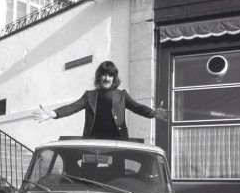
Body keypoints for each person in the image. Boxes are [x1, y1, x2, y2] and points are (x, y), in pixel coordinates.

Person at [32, 60, 171, 140]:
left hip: (117, 141)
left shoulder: (122, 95)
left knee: (116, 174)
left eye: (110, 75)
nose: (106, 78)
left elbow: (137, 107)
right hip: (93, 141)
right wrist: (53, 114)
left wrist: (152, 113)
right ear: (99, 77)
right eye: (103, 75)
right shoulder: (89, 95)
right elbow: (72, 107)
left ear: (114, 78)